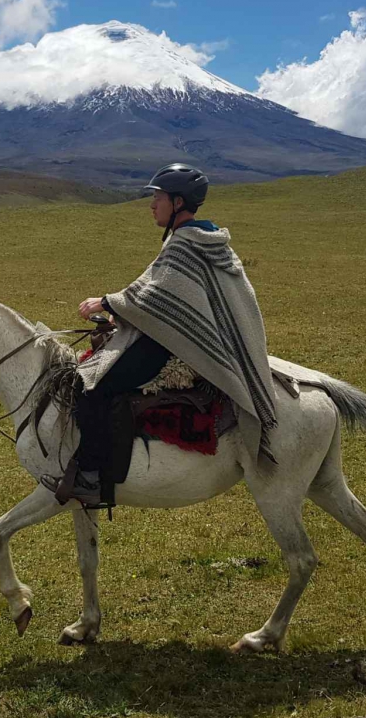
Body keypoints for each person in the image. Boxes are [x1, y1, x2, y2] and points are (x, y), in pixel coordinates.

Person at [46, 163, 276, 507]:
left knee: (93, 386)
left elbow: (154, 298)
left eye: (159, 198)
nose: (152, 205)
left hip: (179, 345)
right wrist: (118, 310)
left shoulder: (185, 245)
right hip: (184, 336)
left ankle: (89, 475)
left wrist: (107, 301)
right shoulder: (204, 239)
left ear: (178, 203)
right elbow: (160, 297)